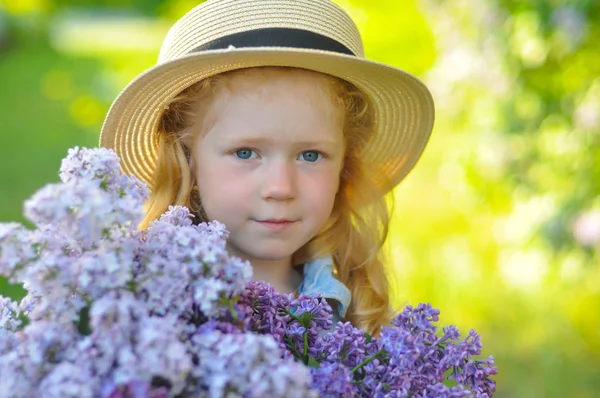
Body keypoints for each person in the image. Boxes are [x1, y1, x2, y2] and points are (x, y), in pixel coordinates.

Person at [100, 0, 434, 336]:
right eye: (246, 153)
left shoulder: (355, 316)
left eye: (311, 155)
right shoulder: (140, 305)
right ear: (187, 160)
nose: (280, 188)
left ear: (344, 168)